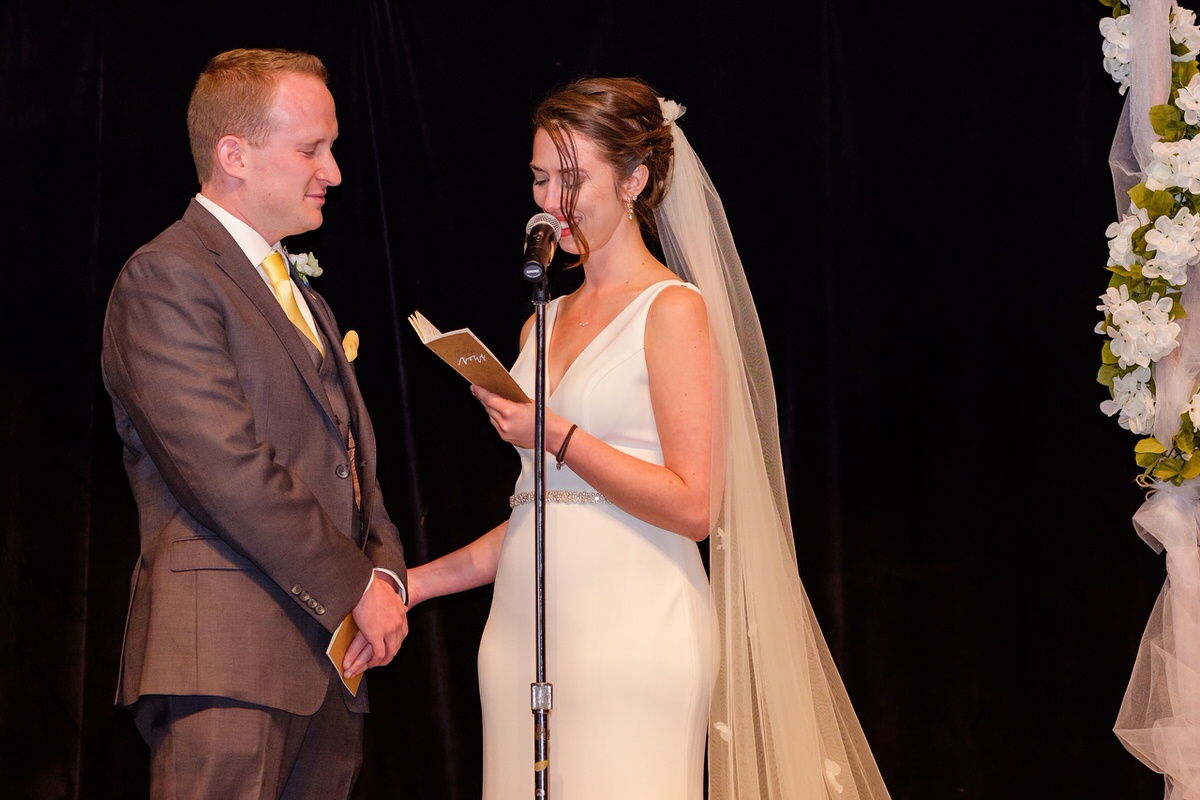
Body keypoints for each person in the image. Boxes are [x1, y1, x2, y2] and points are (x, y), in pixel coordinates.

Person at [406, 77, 890, 799]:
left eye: (573, 179)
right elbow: (538, 513)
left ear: (634, 179)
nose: (549, 201)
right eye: (541, 178)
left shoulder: (673, 310)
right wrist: (411, 584)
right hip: (521, 634)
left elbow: (695, 504)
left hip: (634, 629)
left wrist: (559, 435)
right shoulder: (542, 321)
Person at [100, 48, 409, 800]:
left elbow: (351, 462)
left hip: (331, 665)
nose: (332, 171)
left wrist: (387, 573)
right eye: (311, 149)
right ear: (233, 154)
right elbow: (225, 468)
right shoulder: (167, 277)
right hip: (228, 662)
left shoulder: (303, 293)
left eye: (330, 149)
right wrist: (352, 585)